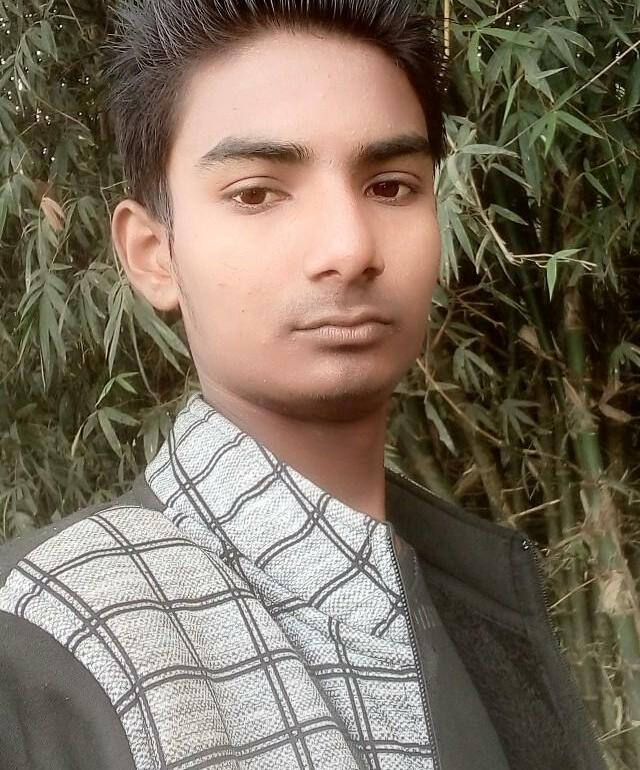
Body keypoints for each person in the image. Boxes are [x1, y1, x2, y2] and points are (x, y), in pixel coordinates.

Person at [0, 1, 605, 768]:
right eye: (257, 193)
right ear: (153, 253)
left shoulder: (484, 599)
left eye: (391, 187)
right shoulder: (40, 636)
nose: (349, 248)